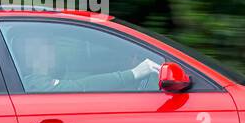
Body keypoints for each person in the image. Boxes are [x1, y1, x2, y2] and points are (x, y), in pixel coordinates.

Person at [13, 31, 160, 92]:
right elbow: (80, 87)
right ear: (36, 53)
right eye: (49, 45)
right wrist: (134, 73)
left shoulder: (39, 82)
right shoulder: (34, 84)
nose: (56, 50)